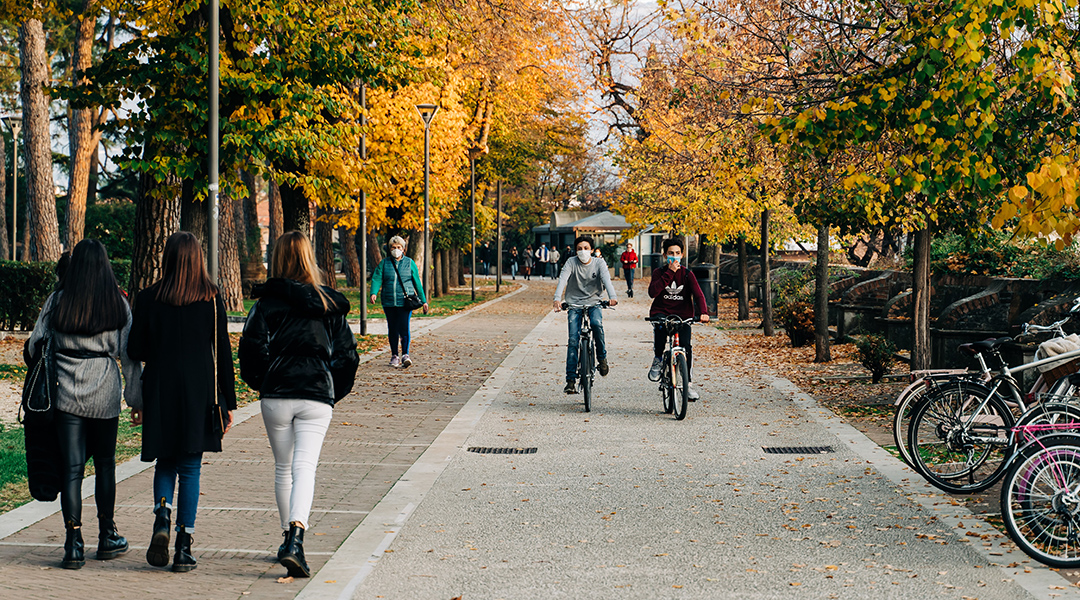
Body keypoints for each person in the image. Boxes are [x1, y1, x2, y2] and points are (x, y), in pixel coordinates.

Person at [239, 231, 359, 579]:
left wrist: (263, 382)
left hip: (277, 392)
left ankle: (286, 537)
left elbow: (251, 349)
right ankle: (297, 536)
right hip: (316, 392)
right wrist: (333, 389)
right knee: (305, 466)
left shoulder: (266, 304)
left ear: (277, 259)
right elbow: (348, 355)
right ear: (310, 258)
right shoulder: (328, 304)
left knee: (283, 467)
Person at [27, 239, 141, 570]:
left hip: (65, 391)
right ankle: (107, 534)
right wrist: (136, 399)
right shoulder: (118, 304)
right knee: (105, 464)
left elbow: (35, 343)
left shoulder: (58, 300)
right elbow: (129, 356)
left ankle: (73, 541)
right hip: (104, 390)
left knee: (72, 469)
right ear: (105, 266)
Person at [128, 231, 235, 573]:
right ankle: (184, 546)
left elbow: (135, 349)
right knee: (190, 468)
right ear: (198, 259)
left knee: (165, 461)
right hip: (199, 391)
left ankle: (162, 513)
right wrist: (228, 402)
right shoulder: (212, 299)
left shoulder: (148, 298)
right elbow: (222, 355)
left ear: (168, 259)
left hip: (160, 388)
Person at [553, 235, 618, 394]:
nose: (583, 251)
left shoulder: (599, 263)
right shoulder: (571, 262)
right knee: (573, 339)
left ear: (592, 250)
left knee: (596, 324)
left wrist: (613, 297)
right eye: (580, 249)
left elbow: (607, 280)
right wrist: (557, 299)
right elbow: (562, 280)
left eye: (586, 248)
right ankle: (570, 380)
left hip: (594, 301)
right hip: (574, 303)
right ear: (576, 251)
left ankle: (602, 358)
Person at [647, 238, 709, 400]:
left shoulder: (688, 274)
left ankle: (686, 384)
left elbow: (698, 294)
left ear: (682, 254)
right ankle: (658, 359)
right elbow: (653, 292)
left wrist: (703, 312)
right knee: (660, 330)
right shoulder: (659, 273)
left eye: (677, 253)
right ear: (664, 255)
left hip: (683, 314)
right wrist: (670, 273)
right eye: (670, 254)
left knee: (686, 347)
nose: (674, 257)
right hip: (662, 312)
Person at [371, 236, 429, 368]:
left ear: (403, 249)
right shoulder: (385, 263)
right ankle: (394, 355)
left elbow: (417, 283)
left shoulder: (409, 263)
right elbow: (377, 278)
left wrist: (423, 300)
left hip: (405, 302)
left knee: (404, 327)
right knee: (393, 329)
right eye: (393, 247)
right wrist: (373, 293)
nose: (396, 250)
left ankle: (405, 355)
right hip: (389, 301)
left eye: (398, 247)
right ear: (389, 249)